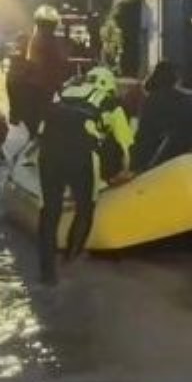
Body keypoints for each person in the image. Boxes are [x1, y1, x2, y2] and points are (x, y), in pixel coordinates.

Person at [36, 65, 134, 284]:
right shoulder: (111, 103)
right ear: (109, 85)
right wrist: (128, 170)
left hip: (48, 154)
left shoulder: (62, 93)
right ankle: (71, 258)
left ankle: (47, 272)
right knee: (86, 207)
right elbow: (127, 144)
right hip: (80, 156)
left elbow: (41, 129)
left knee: (50, 211)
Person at [8, 4, 71, 138]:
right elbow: (61, 68)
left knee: (35, 125)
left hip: (36, 89)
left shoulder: (33, 40)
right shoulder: (52, 43)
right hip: (38, 89)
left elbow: (60, 68)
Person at [133, 61, 192, 171]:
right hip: (184, 162)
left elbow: (144, 138)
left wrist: (136, 166)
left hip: (157, 165)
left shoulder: (151, 102)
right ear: (175, 79)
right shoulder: (188, 101)